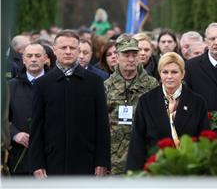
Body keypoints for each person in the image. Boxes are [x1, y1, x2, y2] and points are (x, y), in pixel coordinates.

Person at [29, 30, 110, 177]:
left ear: (78, 51)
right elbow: (36, 127)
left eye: (72, 48)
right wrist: (37, 163)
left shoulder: (94, 82)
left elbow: (102, 124)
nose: (68, 52)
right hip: (52, 162)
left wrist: (102, 161)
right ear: (54, 50)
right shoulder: (42, 84)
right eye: (63, 48)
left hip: (86, 162)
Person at [126, 52, 210, 171]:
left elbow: (204, 140)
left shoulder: (197, 102)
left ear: (183, 74)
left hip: (188, 169)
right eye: (165, 72)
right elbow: (137, 141)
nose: (169, 76)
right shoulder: (146, 101)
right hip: (155, 169)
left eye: (174, 72)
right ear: (159, 73)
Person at [104, 35, 158, 174]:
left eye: (134, 54)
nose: (131, 59)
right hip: (113, 160)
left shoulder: (151, 85)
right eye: (126, 55)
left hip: (144, 157)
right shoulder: (106, 86)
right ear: (117, 56)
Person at [8, 43, 47, 175]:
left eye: (37, 55)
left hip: (50, 158)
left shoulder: (56, 84)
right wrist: (14, 134)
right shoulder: (11, 86)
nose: (33, 59)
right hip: (20, 159)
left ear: (45, 58)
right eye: (29, 56)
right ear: (23, 60)